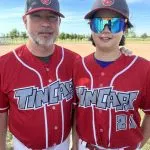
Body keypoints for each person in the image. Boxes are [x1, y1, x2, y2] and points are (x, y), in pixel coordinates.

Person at [0, 0, 80, 149]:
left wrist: (75, 144)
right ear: (25, 20)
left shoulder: (75, 61)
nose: (45, 24)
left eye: (52, 17)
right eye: (37, 16)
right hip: (24, 145)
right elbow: (1, 113)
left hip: (62, 143)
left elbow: (78, 108)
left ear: (59, 22)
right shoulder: (3, 65)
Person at [73, 0, 150, 149]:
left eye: (114, 23)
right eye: (99, 23)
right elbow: (76, 110)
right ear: (91, 28)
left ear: (125, 28)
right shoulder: (78, 66)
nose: (106, 30)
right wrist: (75, 144)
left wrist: (139, 145)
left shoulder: (144, 68)